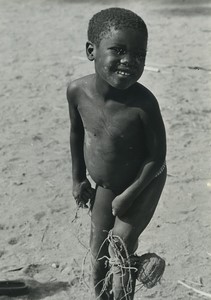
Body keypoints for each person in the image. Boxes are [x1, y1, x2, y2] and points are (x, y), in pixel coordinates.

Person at [67, 7, 167, 300]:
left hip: (144, 181)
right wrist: (77, 179)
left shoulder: (144, 104)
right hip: (107, 187)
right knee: (98, 254)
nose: (129, 61)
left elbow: (157, 158)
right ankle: (101, 296)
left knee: (120, 246)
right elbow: (76, 134)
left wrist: (131, 194)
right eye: (118, 50)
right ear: (91, 50)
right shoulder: (77, 92)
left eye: (139, 54)